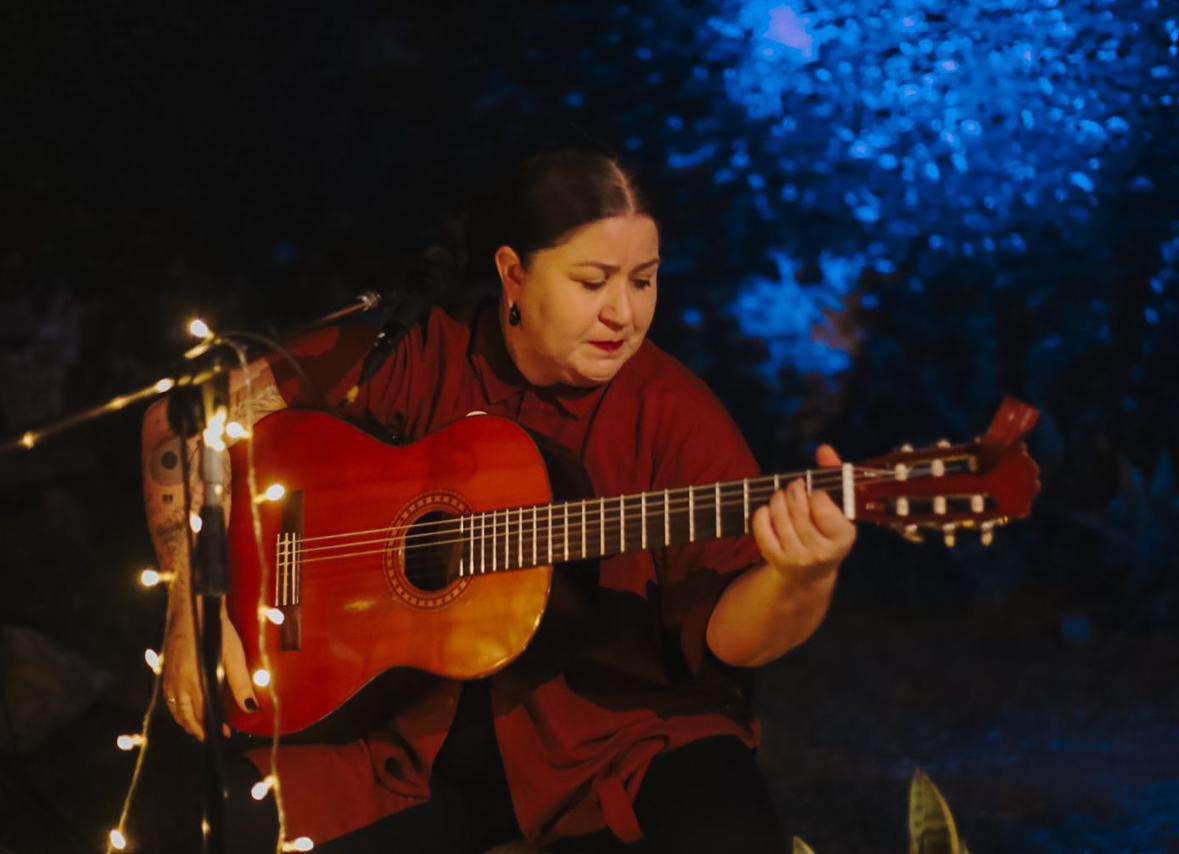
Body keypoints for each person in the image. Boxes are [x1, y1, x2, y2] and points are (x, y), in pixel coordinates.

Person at [140, 149, 857, 852]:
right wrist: (193, 604)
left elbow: (731, 637)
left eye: (643, 282)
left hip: (607, 737)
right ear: (513, 274)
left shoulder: (673, 415)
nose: (623, 313)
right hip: (398, 731)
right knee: (193, 818)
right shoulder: (422, 353)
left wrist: (803, 574)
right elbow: (185, 417)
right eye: (592, 281)